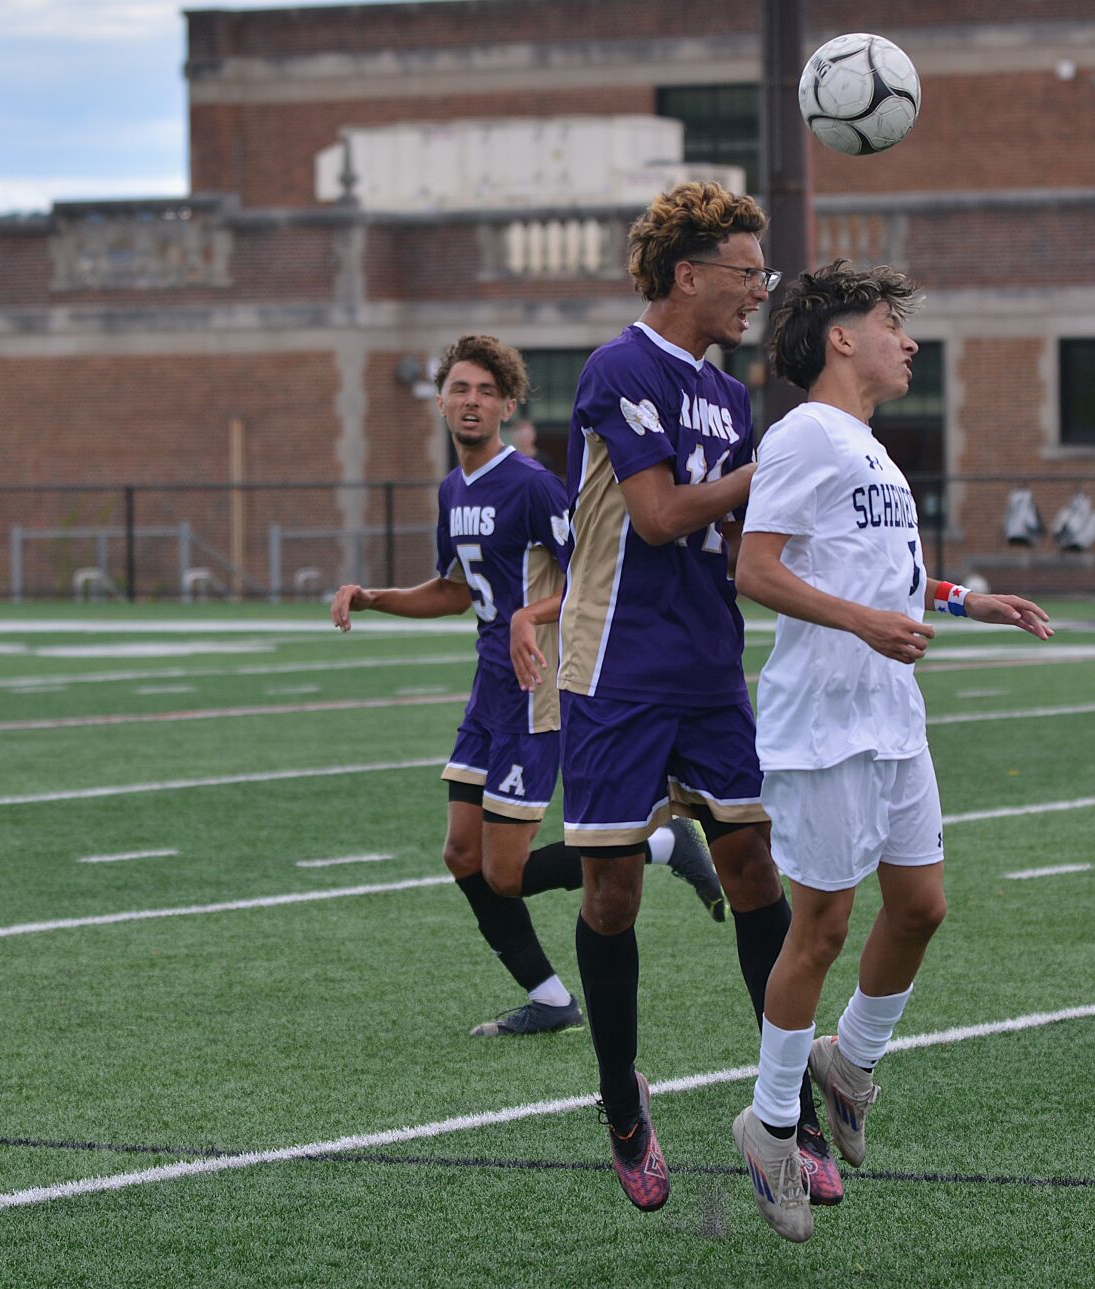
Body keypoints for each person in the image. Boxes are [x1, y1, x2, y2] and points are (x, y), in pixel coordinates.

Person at [729, 262, 1054, 1241]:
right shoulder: (802, 435)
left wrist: (961, 600)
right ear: (839, 337)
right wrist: (864, 623)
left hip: (889, 711)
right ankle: (771, 1121)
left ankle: (850, 1061)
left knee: (920, 905)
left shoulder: (865, 446)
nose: (905, 340)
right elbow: (757, 567)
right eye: (887, 322)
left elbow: (878, 573)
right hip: (823, 717)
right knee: (820, 927)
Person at [559, 181, 832, 1213]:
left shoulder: (726, 393)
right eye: (745, 273)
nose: (758, 291)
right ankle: (621, 1100)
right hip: (618, 669)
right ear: (689, 275)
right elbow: (663, 513)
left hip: (710, 668)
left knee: (758, 868)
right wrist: (768, 471)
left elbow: (731, 534)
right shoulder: (619, 367)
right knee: (611, 895)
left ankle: (785, 1109)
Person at [330, 333, 723, 1039]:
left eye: (486, 390)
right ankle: (547, 998)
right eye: (460, 388)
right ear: (441, 399)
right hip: (488, 693)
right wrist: (374, 596)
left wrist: (529, 614)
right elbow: (454, 591)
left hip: (536, 691)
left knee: (504, 872)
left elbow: (594, 573)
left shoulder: (536, 484)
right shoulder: (454, 489)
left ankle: (664, 845)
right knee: (460, 855)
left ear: (508, 403)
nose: (471, 401)